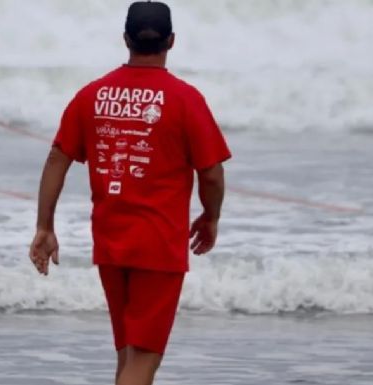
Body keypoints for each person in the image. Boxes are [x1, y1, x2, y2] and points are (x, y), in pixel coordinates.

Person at [28, 2, 231, 385]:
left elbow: (58, 158)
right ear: (171, 41)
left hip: (110, 242)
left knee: (128, 356)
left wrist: (44, 225)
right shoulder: (185, 99)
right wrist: (211, 215)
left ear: (126, 39)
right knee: (143, 361)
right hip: (158, 246)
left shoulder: (92, 95)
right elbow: (212, 173)